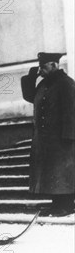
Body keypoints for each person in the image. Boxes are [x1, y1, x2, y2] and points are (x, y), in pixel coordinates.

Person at [21, 52, 75, 216]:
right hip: (46, 139)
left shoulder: (66, 84)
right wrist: (31, 76)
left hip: (62, 139)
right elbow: (29, 96)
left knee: (64, 174)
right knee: (52, 175)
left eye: (43, 67)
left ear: (54, 65)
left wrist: (69, 136)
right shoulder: (43, 84)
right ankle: (57, 205)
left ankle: (66, 206)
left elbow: (71, 111)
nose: (41, 71)